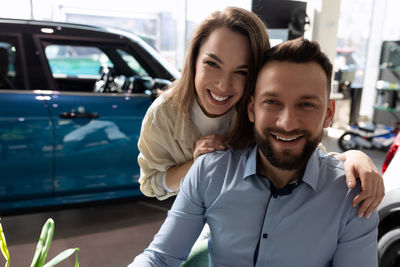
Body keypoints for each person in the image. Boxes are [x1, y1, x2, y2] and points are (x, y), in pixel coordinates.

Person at [129, 38, 379, 267]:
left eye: (306, 105)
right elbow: (160, 257)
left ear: (328, 113)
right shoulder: (209, 171)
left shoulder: (353, 197)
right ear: (251, 109)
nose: (287, 123)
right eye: (272, 102)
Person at [137, 7, 384, 220]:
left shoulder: (259, 110)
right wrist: (196, 165)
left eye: (242, 72)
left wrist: (352, 157)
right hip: (196, 217)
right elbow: (151, 184)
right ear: (193, 59)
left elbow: (301, 154)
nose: (223, 85)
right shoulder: (163, 114)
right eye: (212, 64)